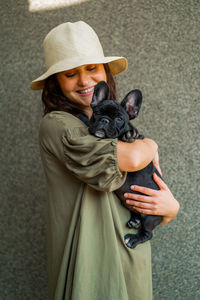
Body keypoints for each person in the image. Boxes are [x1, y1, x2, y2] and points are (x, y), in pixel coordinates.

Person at [30, 21, 179, 300]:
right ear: (55, 83)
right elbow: (134, 157)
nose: (84, 81)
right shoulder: (59, 125)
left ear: (105, 74)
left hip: (131, 257)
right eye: (70, 74)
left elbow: (147, 194)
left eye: (92, 69)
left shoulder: (112, 123)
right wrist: (151, 144)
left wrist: (169, 209)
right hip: (90, 262)